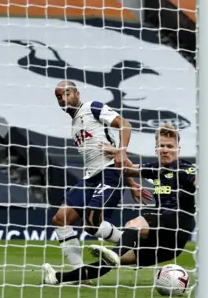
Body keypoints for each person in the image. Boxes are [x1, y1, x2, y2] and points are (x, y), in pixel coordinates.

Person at [43, 123, 196, 285]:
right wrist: (117, 152)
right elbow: (127, 169)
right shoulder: (155, 168)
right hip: (165, 244)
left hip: (175, 226)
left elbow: (197, 181)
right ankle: (57, 278)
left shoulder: (186, 169)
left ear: (178, 149)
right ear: (156, 149)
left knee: (133, 224)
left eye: (170, 146)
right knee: (110, 263)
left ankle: (114, 252)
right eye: (161, 146)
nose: (165, 150)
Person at [50, 80, 152, 272]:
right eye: (59, 97)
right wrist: (131, 183)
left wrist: (121, 151)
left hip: (110, 173)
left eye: (67, 93)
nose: (63, 99)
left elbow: (125, 124)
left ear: (77, 94)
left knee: (92, 223)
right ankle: (81, 274)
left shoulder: (92, 107)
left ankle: (134, 248)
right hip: (92, 177)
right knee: (60, 219)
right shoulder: (75, 125)